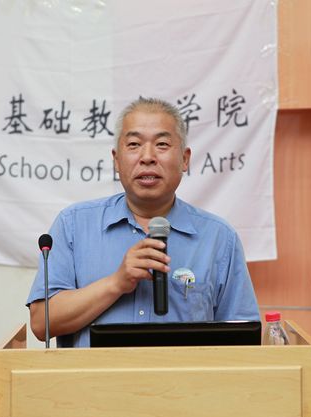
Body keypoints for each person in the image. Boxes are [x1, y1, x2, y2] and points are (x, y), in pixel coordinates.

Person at [27, 97, 259, 347]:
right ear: (116, 160)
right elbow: (41, 324)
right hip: (97, 374)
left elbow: (243, 339)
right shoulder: (74, 225)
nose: (147, 157)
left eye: (162, 144)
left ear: (184, 159)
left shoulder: (218, 238)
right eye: (134, 144)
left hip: (181, 374)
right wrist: (116, 283)